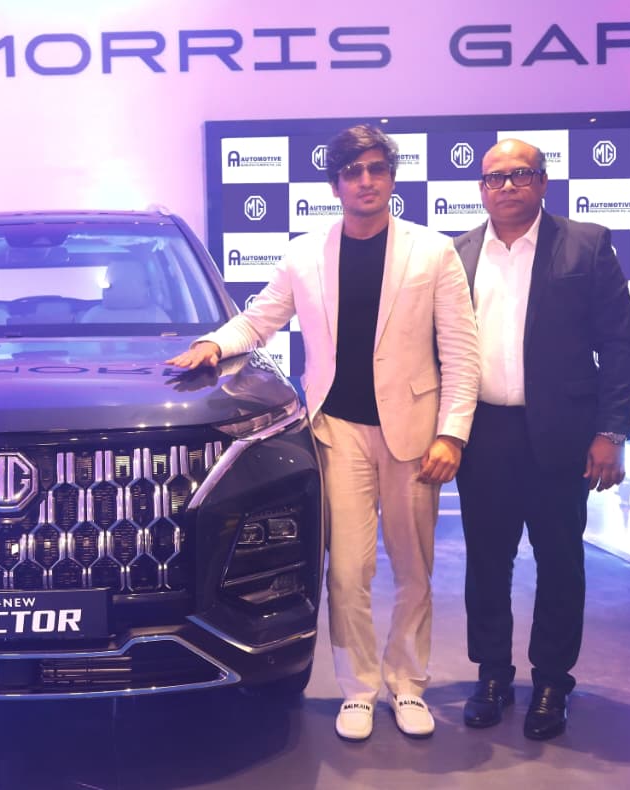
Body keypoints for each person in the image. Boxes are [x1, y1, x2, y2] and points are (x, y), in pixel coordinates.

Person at [167, 125, 479, 741]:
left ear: (391, 177)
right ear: (335, 184)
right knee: (346, 572)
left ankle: (408, 682)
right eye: (353, 171)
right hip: (336, 431)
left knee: (414, 569)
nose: (366, 181)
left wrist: (453, 434)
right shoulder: (304, 254)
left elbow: (461, 352)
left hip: (415, 435)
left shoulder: (433, 252)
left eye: (377, 169)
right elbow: (258, 320)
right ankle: (358, 688)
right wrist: (213, 344)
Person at [454, 139, 630, 740]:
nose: (507, 186)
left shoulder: (587, 244)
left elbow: (618, 346)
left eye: (520, 174)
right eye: (495, 178)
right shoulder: (457, 254)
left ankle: (553, 682)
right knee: (486, 563)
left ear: (542, 181)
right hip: (484, 433)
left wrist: (611, 431)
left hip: (563, 434)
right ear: (481, 189)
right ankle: (491, 675)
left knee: (560, 561)